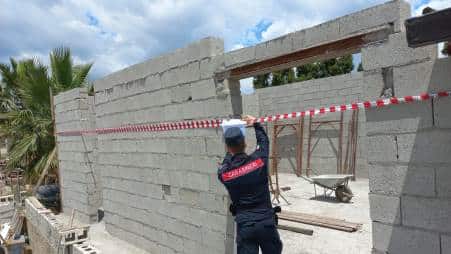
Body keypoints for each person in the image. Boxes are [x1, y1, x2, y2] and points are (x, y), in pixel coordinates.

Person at [218, 115, 282, 254]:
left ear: (228, 147)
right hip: (266, 223)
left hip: (245, 226)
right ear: (245, 143)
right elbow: (264, 141)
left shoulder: (225, 174)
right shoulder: (259, 161)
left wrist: (228, 154)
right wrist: (256, 124)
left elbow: (225, 163)